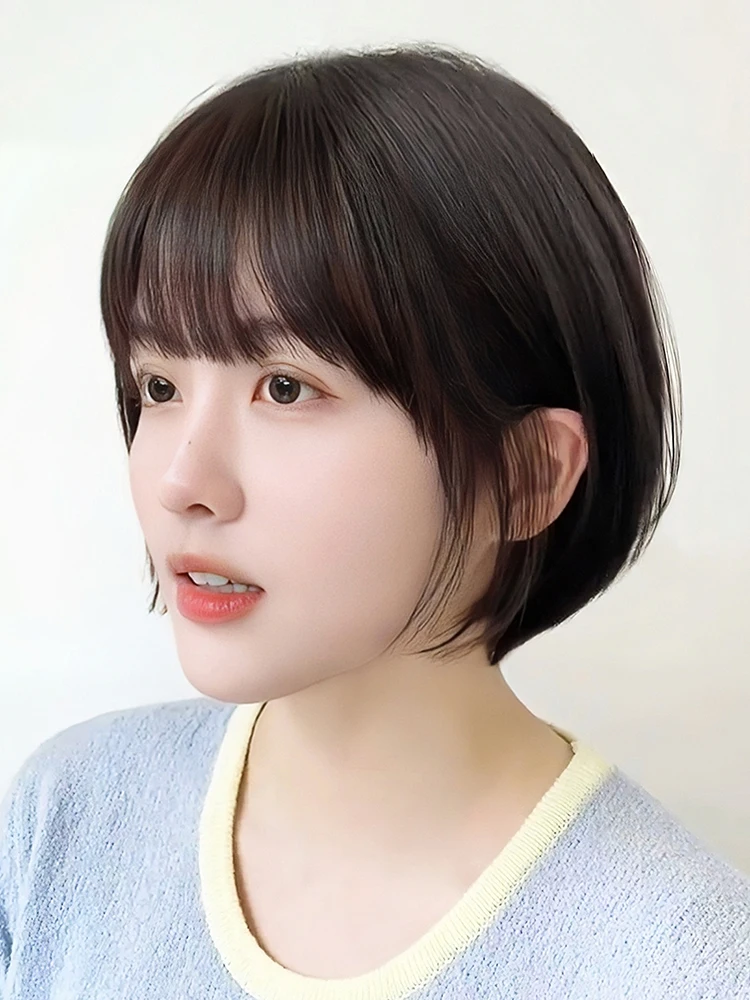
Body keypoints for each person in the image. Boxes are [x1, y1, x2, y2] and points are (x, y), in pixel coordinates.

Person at [1, 43, 748, 1000]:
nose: (183, 480)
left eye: (284, 387)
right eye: (158, 385)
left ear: (524, 475)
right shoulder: (70, 818)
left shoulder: (683, 963)